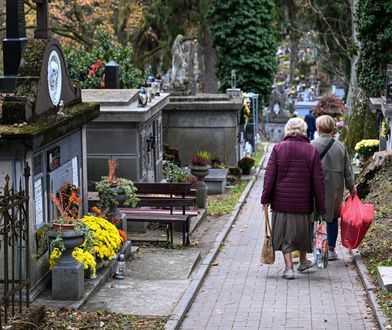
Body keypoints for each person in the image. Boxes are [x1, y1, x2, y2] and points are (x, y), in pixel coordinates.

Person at [261, 118, 326, 279]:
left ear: (287, 129)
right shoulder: (311, 150)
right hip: (303, 202)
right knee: (302, 234)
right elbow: (318, 181)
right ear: (304, 130)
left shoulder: (278, 148)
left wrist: (265, 199)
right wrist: (321, 206)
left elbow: (269, 177)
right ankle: (302, 262)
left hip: (281, 201)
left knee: (284, 236)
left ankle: (289, 268)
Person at [312, 115, 356, 260]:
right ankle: (331, 249)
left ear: (318, 128)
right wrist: (351, 187)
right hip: (335, 188)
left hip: (316, 187)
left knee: (319, 217)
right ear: (332, 128)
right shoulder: (340, 146)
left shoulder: (312, 145)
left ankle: (319, 249)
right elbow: (347, 171)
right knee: (332, 218)